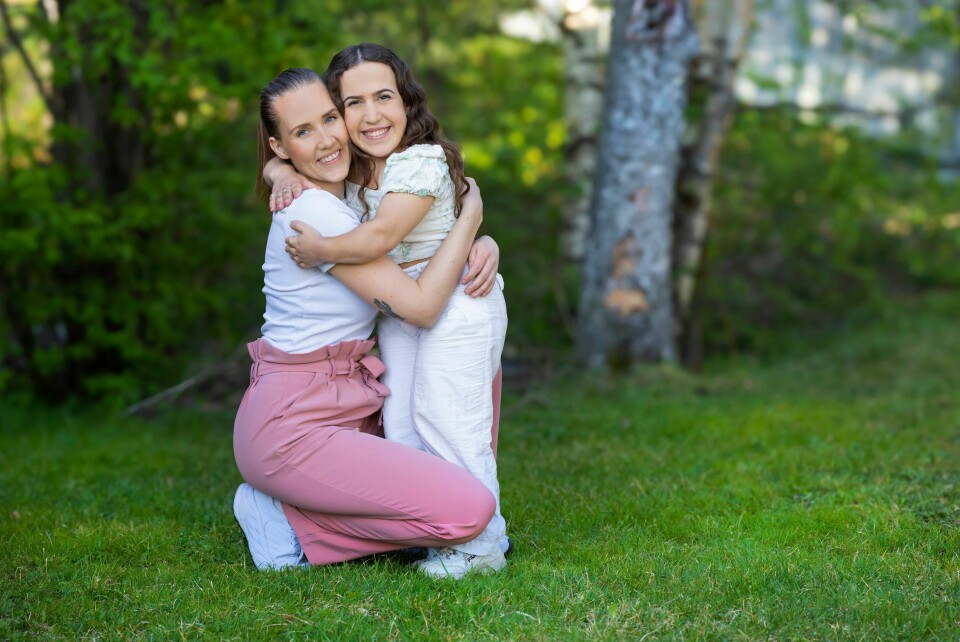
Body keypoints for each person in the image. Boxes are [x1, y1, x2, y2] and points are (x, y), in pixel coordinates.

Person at [233, 67, 506, 579]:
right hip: (294, 422)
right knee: (470, 512)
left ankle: (294, 512)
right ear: (280, 145)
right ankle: (286, 519)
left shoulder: (351, 199)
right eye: (302, 132)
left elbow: (412, 244)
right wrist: (473, 217)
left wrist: (482, 246)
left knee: (435, 426)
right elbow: (421, 306)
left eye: (330, 118)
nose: (327, 139)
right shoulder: (319, 217)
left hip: (348, 403)